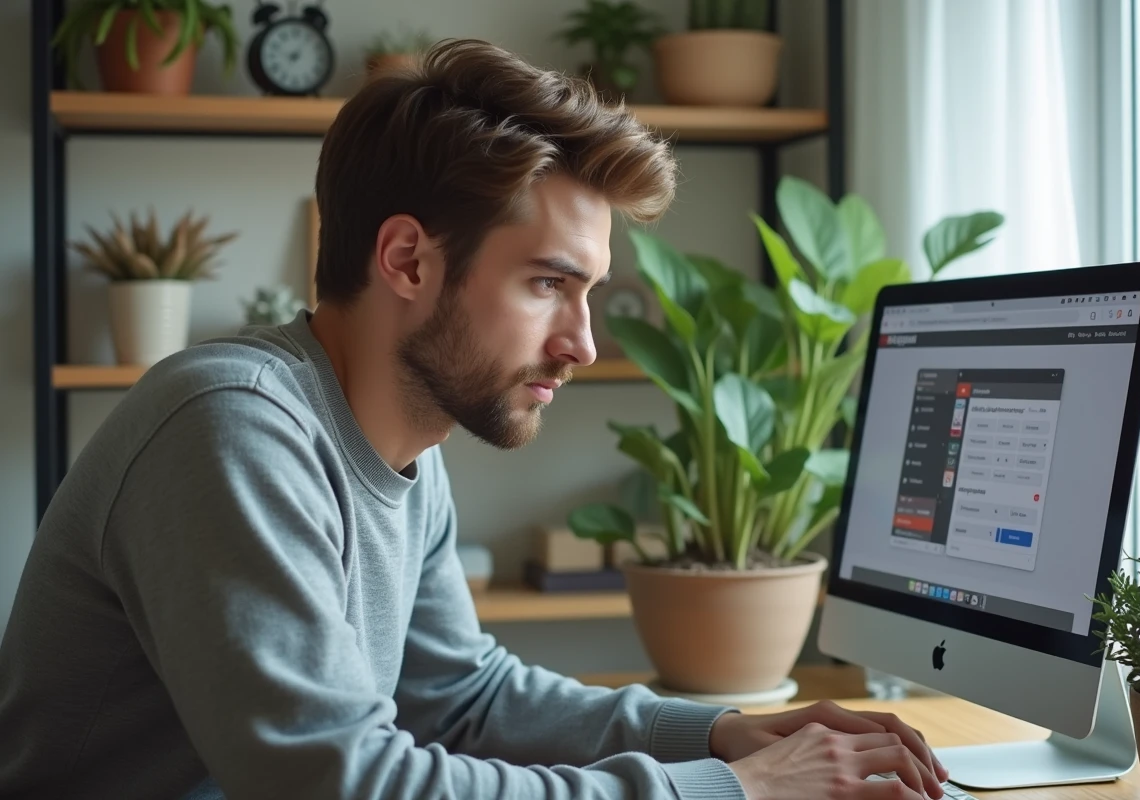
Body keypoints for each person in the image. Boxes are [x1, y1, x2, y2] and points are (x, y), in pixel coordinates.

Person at [0, 39, 949, 800]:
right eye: (548, 284)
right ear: (408, 260)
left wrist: (717, 729)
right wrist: (730, 788)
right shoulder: (233, 427)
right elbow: (339, 782)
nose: (582, 343)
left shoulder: (404, 437)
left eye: (588, 294)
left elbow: (461, 698)